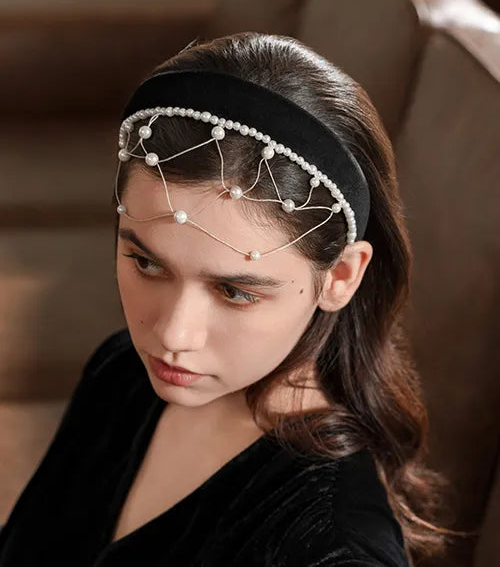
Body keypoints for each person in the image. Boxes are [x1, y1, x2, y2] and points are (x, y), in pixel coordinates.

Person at [0, 33, 461, 566]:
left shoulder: (332, 549)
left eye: (234, 291)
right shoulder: (122, 372)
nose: (172, 335)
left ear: (339, 276)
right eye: (147, 263)